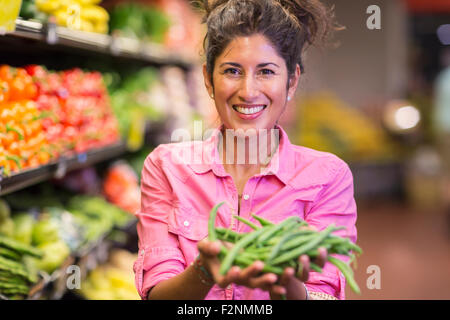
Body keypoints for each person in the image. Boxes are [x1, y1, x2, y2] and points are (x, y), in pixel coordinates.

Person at [134, 0, 357, 300]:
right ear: (207, 79)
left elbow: (325, 295)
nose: (248, 91)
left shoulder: (327, 176)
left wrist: (285, 283)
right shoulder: (166, 167)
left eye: (266, 72)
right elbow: (157, 296)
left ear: (291, 82)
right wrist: (204, 270)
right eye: (232, 71)